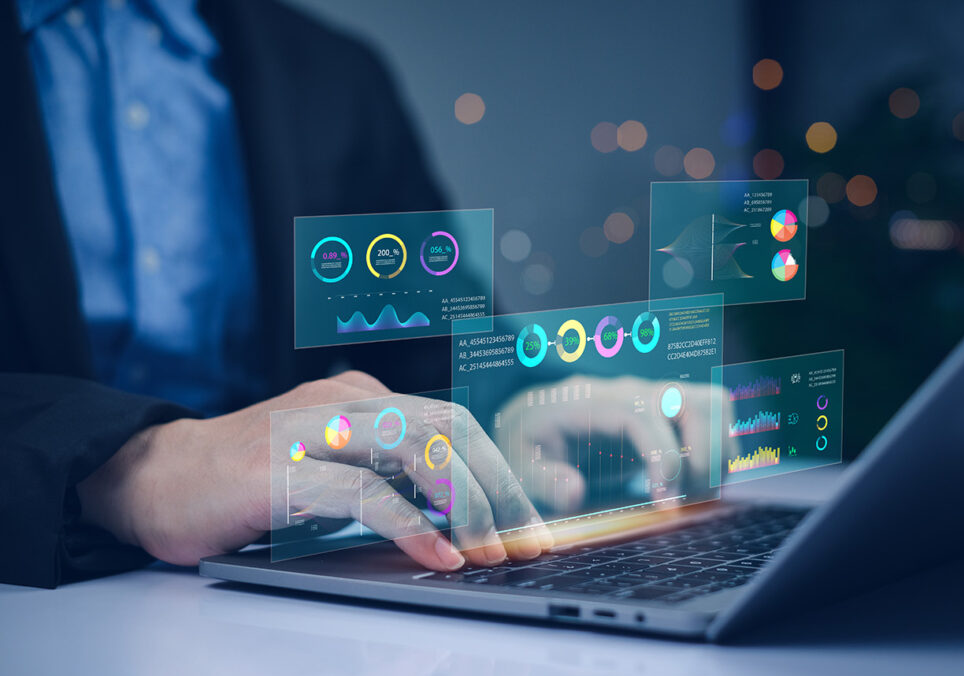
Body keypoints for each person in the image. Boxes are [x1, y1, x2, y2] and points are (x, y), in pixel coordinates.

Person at [0, 0, 553, 589]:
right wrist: (133, 467)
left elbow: (424, 334)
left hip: (267, 582)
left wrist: (523, 405)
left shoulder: (333, 72)